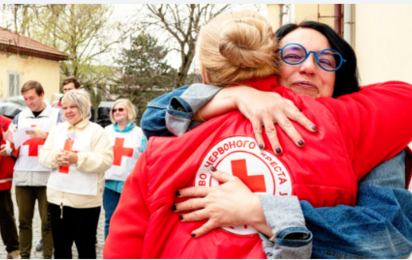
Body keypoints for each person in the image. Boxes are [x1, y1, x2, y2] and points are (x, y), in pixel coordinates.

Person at [103, 11, 412, 259]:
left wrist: (263, 211)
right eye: (291, 55)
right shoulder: (186, 126)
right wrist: (233, 96)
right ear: (263, 61)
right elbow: (157, 115)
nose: (307, 66)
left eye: (326, 60)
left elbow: (389, 235)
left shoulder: (363, 135)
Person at [39, 89, 112, 259]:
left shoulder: (97, 131)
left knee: (85, 248)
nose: (68, 111)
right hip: (58, 200)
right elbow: (43, 156)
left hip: (85, 202)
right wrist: (55, 158)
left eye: (73, 107)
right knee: (61, 248)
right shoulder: (57, 130)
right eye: (64, 107)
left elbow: (106, 160)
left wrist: (77, 158)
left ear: (84, 107)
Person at [3, 80, 61, 259]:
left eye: (32, 98)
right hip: (23, 174)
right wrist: (10, 141)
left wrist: (46, 136)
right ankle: (25, 256)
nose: (28, 102)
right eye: (25, 99)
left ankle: (47, 256)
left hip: (47, 175)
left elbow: (65, 140)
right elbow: (11, 148)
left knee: (47, 223)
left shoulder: (57, 116)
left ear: (42, 95)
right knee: (23, 222)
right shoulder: (20, 117)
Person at [103, 99, 145, 240]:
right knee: (110, 220)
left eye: (121, 109)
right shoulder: (106, 131)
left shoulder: (139, 133)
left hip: (130, 186)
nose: (117, 112)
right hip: (109, 185)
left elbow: (145, 158)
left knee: (129, 222)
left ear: (129, 111)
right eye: (114, 110)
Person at [0, 115, 20, 259]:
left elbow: (14, 145)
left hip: (1, 176)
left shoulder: (6, 123)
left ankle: (13, 249)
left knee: (5, 214)